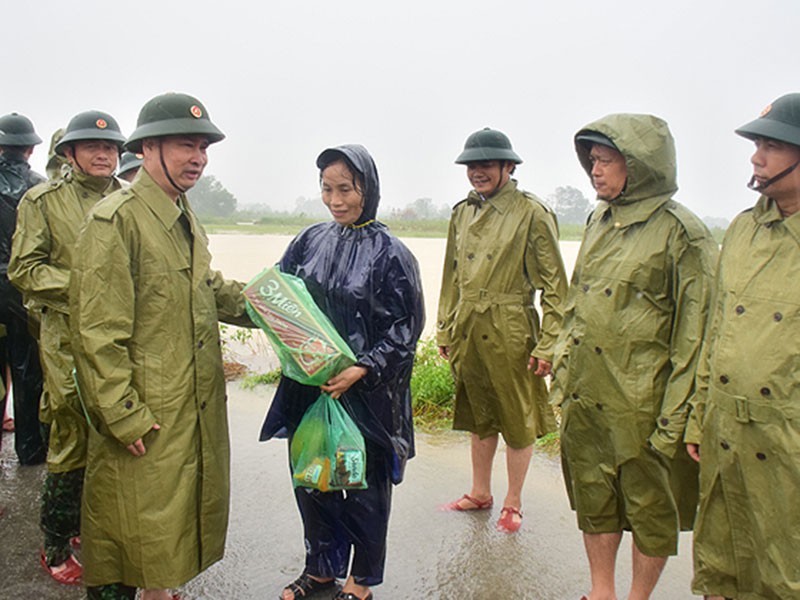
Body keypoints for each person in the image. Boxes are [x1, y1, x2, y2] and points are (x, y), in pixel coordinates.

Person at [69, 92, 251, 600]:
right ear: (147, 149)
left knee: (167, 525)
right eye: (184, 146)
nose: (198, 157)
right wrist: (123, 413)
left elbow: (205, 287)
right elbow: (97, 333)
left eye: (203, 147)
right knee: (129, 529)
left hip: (186, 403)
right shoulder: (117, 220)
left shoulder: (180, 213)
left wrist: (271, 307)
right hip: (146, 411)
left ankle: (159, 589)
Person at [551, 113, 718, 600]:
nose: (594, 171)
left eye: (605, 161)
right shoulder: (598, 219)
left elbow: (697, 332)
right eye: (592, 161)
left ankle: (637, 596)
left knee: (651, 510)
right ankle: (601, 589)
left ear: (639, 164)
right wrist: (562, 366)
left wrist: (681, 415)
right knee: (594, 499)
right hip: (589, 394)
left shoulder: (682, 234)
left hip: (644, 404)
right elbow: (576, 299)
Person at [261, 144, 424, 600]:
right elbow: (281, 295)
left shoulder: (392, 254)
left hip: (365, 399)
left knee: (364, 490)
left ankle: (360, 580)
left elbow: (407, 328)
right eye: (327, 189)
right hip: (311, 390)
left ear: (367, 189)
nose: (335, 200)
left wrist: (364, 368)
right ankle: (319, 570)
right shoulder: (310, 240)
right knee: (313, 480)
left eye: (346, 190)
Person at [685, 93, 800, 600]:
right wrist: (698, 415)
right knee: (720, 562)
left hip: (786, 441)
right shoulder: (742, 229)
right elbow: (715, 330)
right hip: (724, 429)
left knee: (783, 569)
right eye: (757, 144)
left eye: (773, 146)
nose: (757, 158)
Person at [9, 109, 127, 585]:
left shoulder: (129, 199)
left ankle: (92, 527)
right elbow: (25, 270)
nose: (104, 154)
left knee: (116, 436)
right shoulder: (42, 201)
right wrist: (88, 286)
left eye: (112, 148)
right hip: (66, 338)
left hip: (119, 340)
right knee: (71, 437)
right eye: (93, 147)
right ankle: (55, 542)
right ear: (69, 154)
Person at [436, 127, 568, 533]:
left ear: (508, 167)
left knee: (517, 417)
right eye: (472, 165)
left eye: (487, 165)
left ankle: (513, 501)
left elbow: (557, 288)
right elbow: (451, 277)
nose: (478, 172)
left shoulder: (531, 213)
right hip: (469, 326)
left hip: (511, 326)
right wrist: (445, 327)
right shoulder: (463, 212)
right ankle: (479, 491)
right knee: (479, 414)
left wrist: (549, 344)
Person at [0, 111, 47, 466]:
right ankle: (30, 449)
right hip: (20, 287)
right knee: (28, 367)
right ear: (30, 148)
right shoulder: (39, 187)